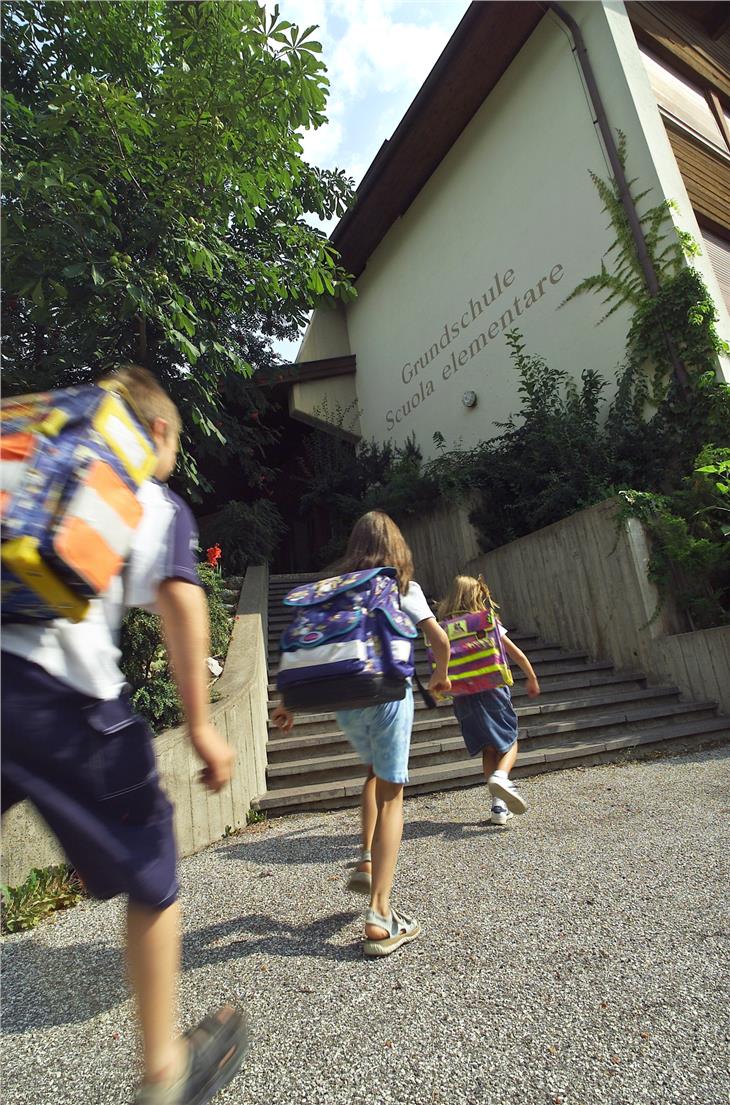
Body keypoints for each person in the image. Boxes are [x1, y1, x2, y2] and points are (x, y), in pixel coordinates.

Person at [1, 365, 248, 1105]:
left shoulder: (29, 466)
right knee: (152, 868)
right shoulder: (150, 495)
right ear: (161, 431)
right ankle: (164, 1069)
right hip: (68, 705)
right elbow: (180, 606)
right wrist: (202, 726)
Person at [272, 511, 450, 957]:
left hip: (345, 701)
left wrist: (286, 702)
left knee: (372, 774)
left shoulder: (337, 588)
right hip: (387, 694)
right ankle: (381, 915)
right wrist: (440, 678)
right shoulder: (400, 586)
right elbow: (439, 642)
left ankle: (369, 861)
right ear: (397, 547)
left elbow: (310, 645)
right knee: (392, 795)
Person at [437, 575, 540, 826]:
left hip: (462, 696)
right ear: (478, 595)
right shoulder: (488, 622)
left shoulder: (445, 628)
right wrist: (531, 677)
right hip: (492, 689)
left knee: (488, 747)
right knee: (510, 741)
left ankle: (498, 806)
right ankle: (502, 778)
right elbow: (516, 653)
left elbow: (439, 660)